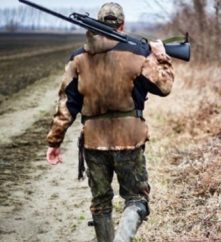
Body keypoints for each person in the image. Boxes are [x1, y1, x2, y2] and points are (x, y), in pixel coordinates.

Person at [45, 2, 174, 241]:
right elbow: (164, 87)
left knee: (101, 203)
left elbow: (66, 105)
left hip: (94, 142)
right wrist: (161, 57)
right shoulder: (138, 54)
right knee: (136, 200)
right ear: (122, 25)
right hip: (130, 139)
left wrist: (54, 141)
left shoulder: (78, 58)